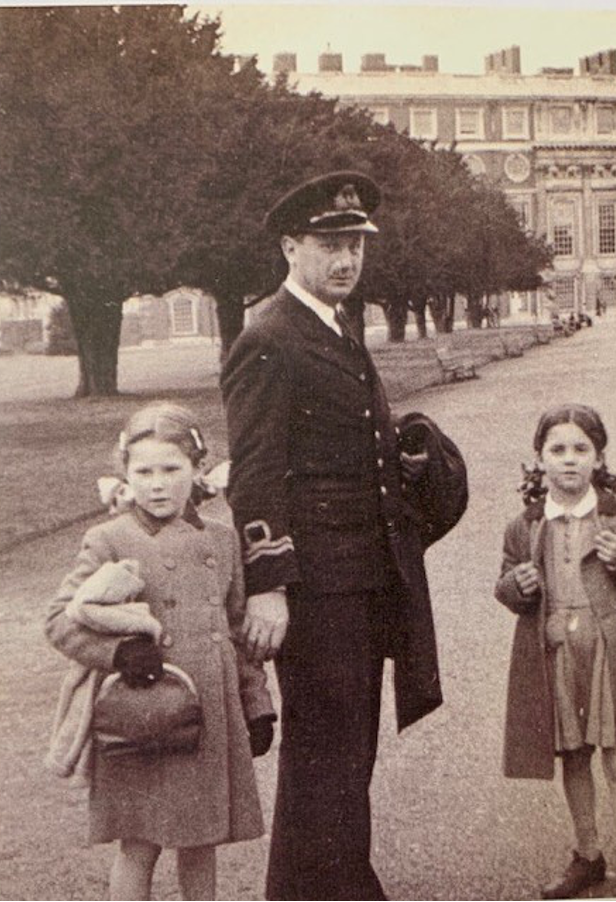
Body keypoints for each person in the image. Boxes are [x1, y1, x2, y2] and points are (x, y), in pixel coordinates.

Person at [221, 171, 464, 901]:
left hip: (360, 577)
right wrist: (267, 584)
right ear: (290, 246)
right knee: (325, 753)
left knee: (345, 751)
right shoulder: (268, 335)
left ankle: (336, 884)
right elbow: (257, 474)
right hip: (316, 586)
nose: (347, 259)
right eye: (330, 244)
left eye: (355, 243)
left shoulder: (329, 323)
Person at [45, 403, 275, 902]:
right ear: (125, 475)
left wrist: (256, 704)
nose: (157, 484)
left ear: (197, 470)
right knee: (139, 843)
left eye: (171, 469)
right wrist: (119, 652)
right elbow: (59, 621)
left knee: (201, 840)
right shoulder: (107, 539)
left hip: (208, 713)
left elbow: (235, 629)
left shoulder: (221, 538)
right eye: (143, 471)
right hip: (140, 715)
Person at [495, 404, 616, 898]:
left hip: (611, 651)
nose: (569, 460)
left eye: (581, 449)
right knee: (573, 754)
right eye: (556, 450)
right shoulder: (525, 526)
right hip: (558, 651)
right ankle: (587, 855)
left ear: (599, 457)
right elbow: (505, 585)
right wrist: (518, 585)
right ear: (538, 460)